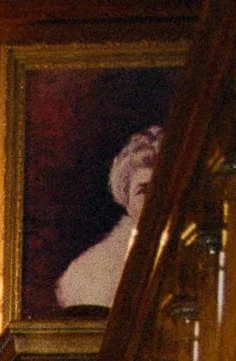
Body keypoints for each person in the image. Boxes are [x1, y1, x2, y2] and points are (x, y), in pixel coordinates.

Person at [55, 125, 161, 309]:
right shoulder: (95, 268)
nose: (154, 200)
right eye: (143, 191)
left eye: (161, 189)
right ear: (125, 197)